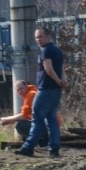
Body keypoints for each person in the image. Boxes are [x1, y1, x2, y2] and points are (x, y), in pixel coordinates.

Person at [14, 27, 66, 158]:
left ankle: (28, 147)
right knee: (52, 120)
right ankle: (54, 149)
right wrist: (62, 81)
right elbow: (61, 69)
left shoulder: (46, 50)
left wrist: (58, 81)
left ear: (48, 36)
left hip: (46, 90)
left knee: (37, 118)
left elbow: (49, 69)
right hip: (55, 91)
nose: (38, 40)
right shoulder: (57, 50)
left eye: (40, 37)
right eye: (36, 37)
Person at [0, 80, 63, 147]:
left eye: (21, 88)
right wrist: (10, 121)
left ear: (26, 87)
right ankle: (41, 141)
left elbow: (24, 116)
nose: (20, 91)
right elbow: (28, 116)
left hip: (50, 125)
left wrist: (5, 119)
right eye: (18, 90)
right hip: (51, 124)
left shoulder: (31, 94)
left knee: (21, 126)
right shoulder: (32, 93)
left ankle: (41, 140)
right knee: (24, 123)